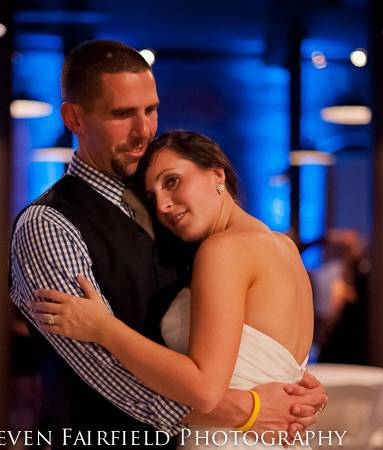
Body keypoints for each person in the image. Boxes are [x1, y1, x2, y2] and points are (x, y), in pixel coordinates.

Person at [9, 40, 324, 449]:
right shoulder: (48, 223)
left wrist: (298, 391)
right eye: (123, 114)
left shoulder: (183, 218)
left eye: (151, 110)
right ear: (75, 118)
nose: (144, 130)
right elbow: (104, 372)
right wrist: (243, 409)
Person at [33, 131, 316, 448]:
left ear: (216, 174)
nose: (164, 205)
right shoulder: (285, 248)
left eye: (172, 181)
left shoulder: (224, 250)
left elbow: (204, 388)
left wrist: (103, 328)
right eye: (153, 198)